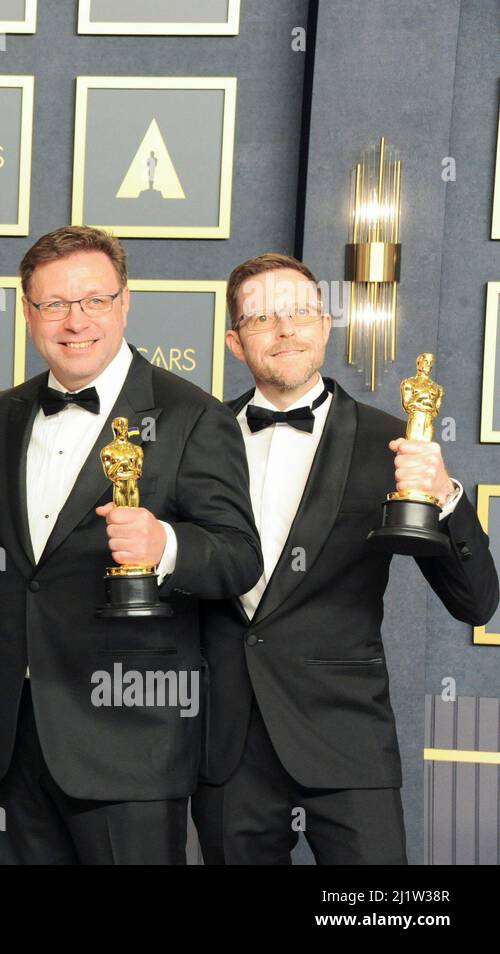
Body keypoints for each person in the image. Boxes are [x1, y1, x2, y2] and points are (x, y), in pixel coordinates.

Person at [193, 253, 500, 864]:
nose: (285, 330)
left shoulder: (391, 442)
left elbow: (475, 600)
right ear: (234, 341)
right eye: (262, 318)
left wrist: (444, 495)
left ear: (326, 322)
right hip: (226, 745)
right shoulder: (197, 438)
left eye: (301, 312)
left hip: (346, 737)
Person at [0, 225, 261, 864]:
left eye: (93, 301)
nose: (74, 321)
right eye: (54, 304)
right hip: (18, 731)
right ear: (28, 313)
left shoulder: (192, 414)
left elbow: (240, 556)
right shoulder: (3, 413)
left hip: (129, 738)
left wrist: (164, 544)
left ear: (124, 303)